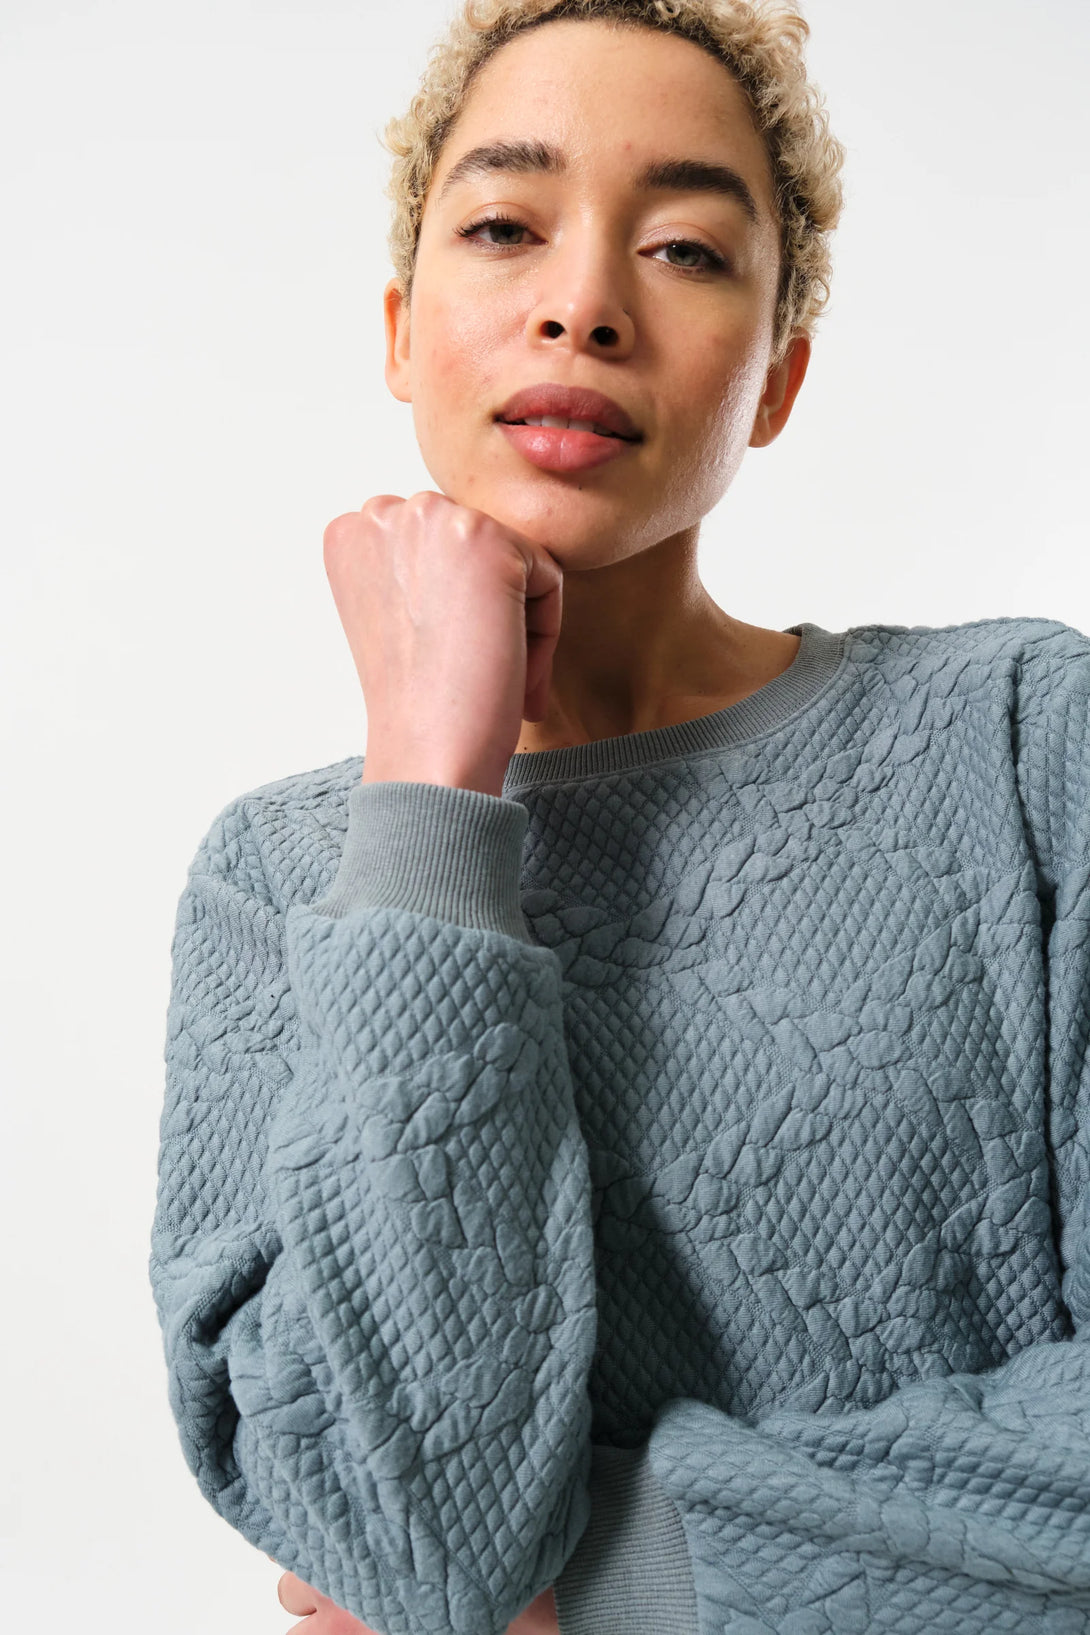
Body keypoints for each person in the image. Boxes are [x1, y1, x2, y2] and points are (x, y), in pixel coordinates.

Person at [148, 2, 1090, 1632]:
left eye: (683, 251)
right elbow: (397, 1532)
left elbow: (431, 1596)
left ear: (776, 374)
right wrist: (428, 795)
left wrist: (615, 1573)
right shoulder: (278, 881)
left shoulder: (1024, 743)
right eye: (504, 227)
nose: (581, 303)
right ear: (400, 331)